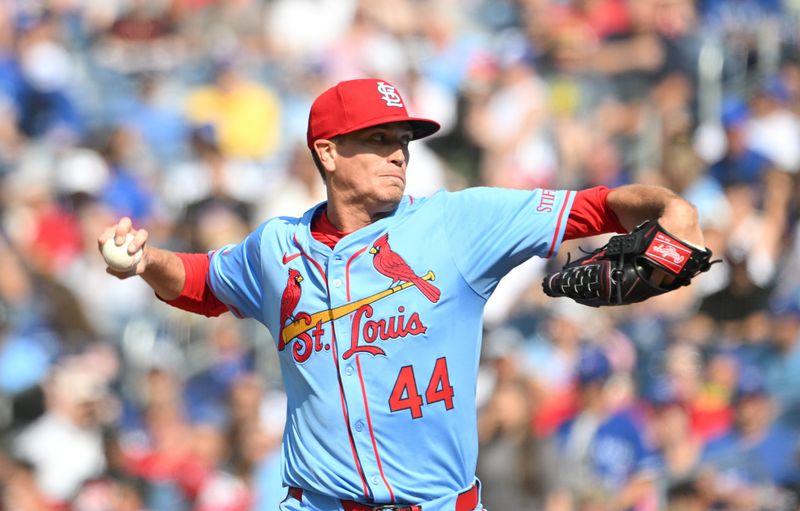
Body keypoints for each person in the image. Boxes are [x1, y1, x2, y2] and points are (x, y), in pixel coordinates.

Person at [98, 77, 706, 511]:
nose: (399, 153)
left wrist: (673, 210)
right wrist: (146, 261)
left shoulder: (460, 223)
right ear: (328, 152)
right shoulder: (275, 249)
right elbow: (203, 281)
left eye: (404, 140)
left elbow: (596, 206)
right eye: (379, 138)